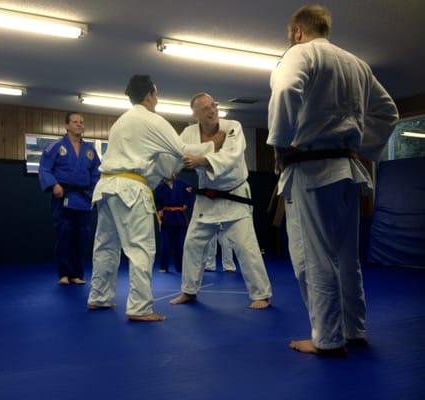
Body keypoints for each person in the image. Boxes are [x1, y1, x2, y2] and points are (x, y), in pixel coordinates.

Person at [267, 5, 399, 356]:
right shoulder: (357, 64)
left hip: (311, 172)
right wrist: (362, 147)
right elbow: (389, 112)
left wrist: (280, 146)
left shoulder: (300, 54)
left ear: (297, 31)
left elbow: (283, 92)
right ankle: (354, 330)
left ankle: (326, 338)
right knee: (345, 256)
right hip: (347, 171)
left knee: (314, 258)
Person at [87, 75, 225, 322]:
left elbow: (159, 158)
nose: (158, 99)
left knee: (106, 247)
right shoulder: (152, 120)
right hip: (130, 188)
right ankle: (140, 308)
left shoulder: (121, 122)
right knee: (141, 248)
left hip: (106, 188)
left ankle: (99, 297)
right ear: (150, 94)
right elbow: (183, 152)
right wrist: (212, 145)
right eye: (156, 94)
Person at [170, 93, 272, 309]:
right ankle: (189, 290)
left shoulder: (232, 127)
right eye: (205, 108)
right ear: (195, 114)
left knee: (246, 247)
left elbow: (230, 157)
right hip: (207, 198)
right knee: (192, 245)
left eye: (213, 106)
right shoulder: (189, 133)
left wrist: (200, 159)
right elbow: (179, 154)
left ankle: (261, 294)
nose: (212, 111)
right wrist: (208, 149)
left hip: (234, 196)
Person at [39, 112, 100, 285]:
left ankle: (77, 274)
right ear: (66, 125)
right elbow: (44, 168)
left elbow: (96, 173)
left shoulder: (90, 150)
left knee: (82, 236)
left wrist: (94, 192)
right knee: (64, 235)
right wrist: (54, 185)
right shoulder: (56, 146)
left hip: (83, 198)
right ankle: (64, 274)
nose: (79, 124)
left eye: (81, 122)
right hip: (63, 196)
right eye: (75, 122)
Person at [154, 176, 192, 273]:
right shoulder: (160, 186)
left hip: (179, 216)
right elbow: (156, 201)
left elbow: (190, 193)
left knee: (180, 244)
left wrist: (187, 203)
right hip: (166, 216)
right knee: (165, 244)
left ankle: (180, 267)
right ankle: (163, 266)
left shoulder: (181, 183)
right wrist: (159, 210)